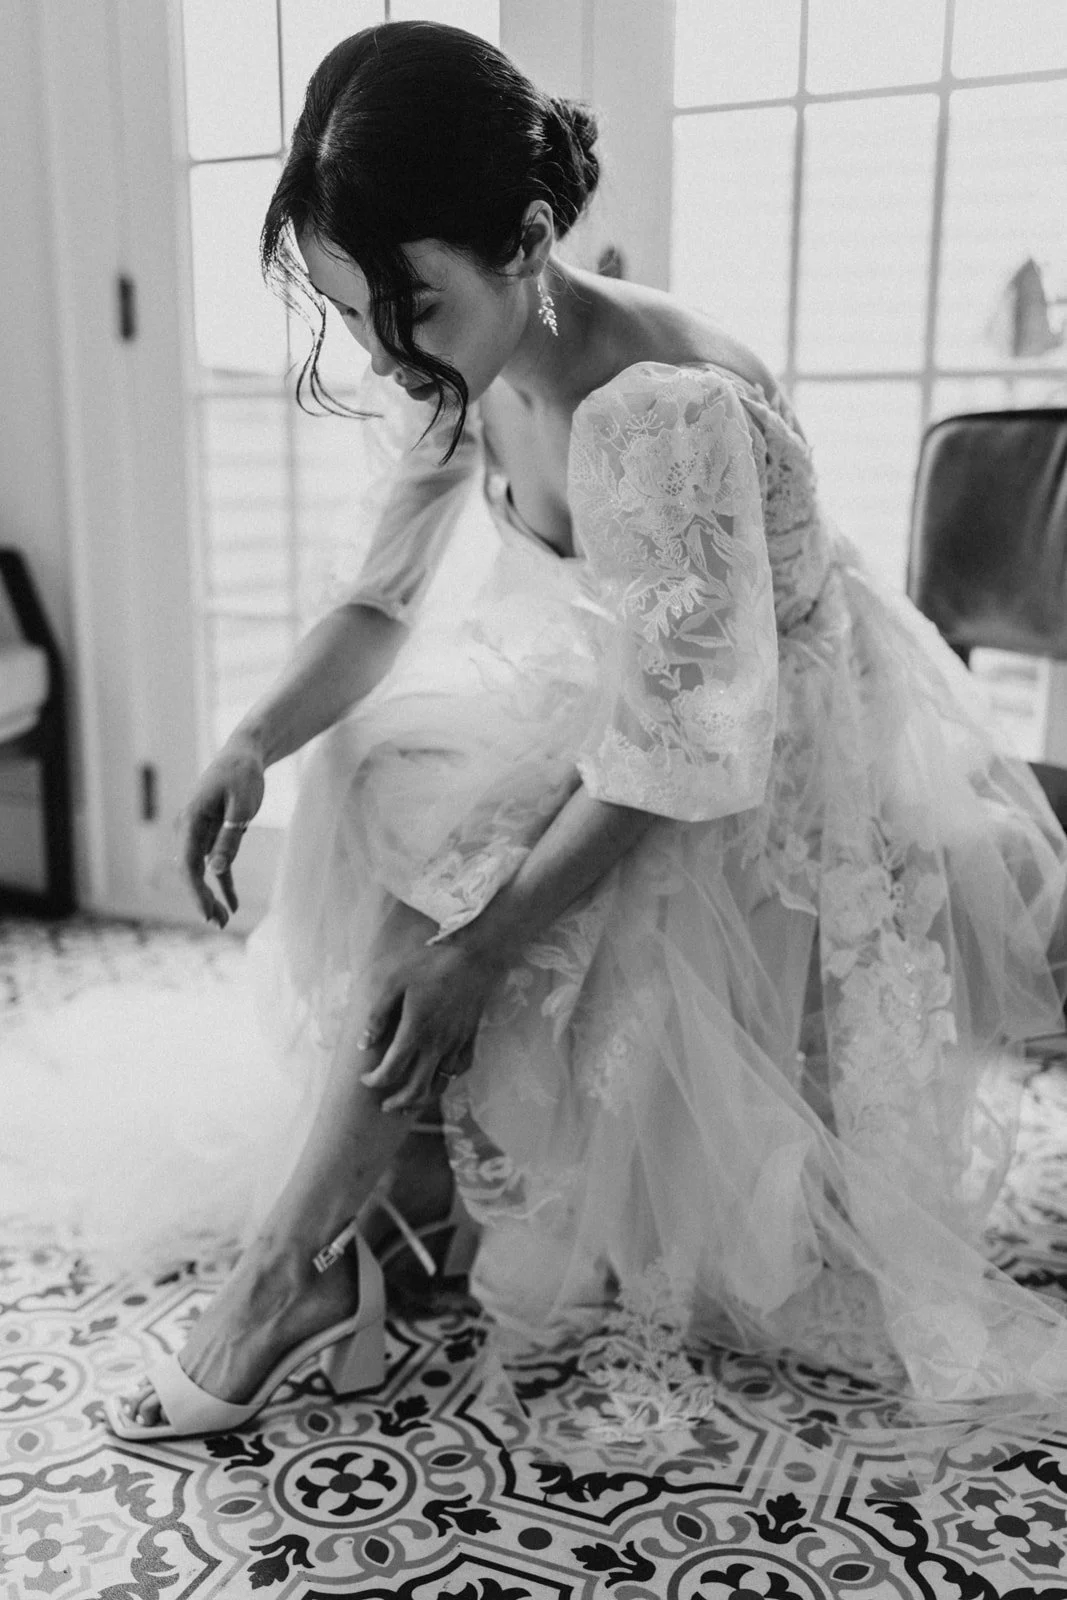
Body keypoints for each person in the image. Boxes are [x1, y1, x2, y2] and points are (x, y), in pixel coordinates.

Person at [106, 19, 1067, 1441]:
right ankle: (398, 1202)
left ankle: (289, 1273)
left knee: (458, 893)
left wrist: (477, 950)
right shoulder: (458, 359)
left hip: (772, 752)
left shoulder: (658, 409)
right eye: (354, 309)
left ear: (530, 236)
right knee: (383, 771)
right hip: (642, 698)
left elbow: (695, 745)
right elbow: (377, 611)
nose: (383, 353)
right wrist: (254, 740)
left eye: (410, 309)